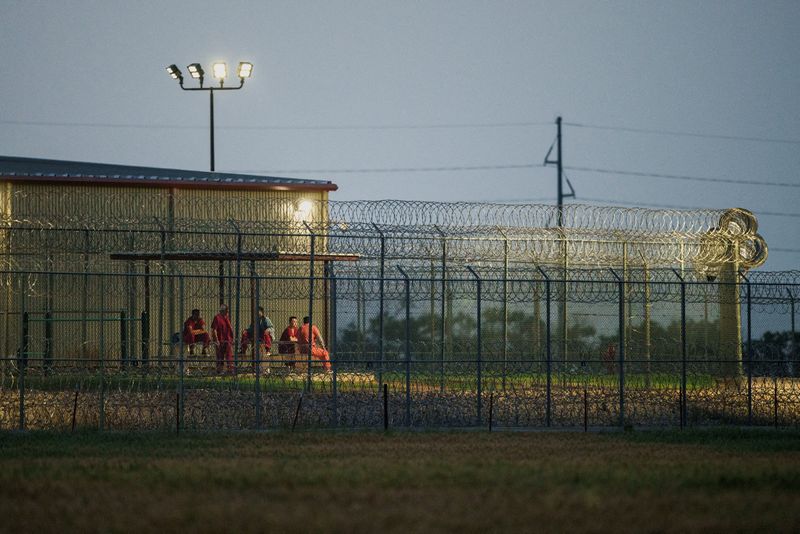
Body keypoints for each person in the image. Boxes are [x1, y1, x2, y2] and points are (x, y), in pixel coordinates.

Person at [211, 304, 234, 373]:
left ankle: (230, 369)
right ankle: (219, 370)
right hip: (220, 340)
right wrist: (216, 340)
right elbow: (214, 329)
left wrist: (231, 338)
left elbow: (230, 328)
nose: (227, 312)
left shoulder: (226, 317)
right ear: (222, 311)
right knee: (220, 356)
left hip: (227, 340)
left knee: (229, 355)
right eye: (226, 311)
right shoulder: (217, 317)